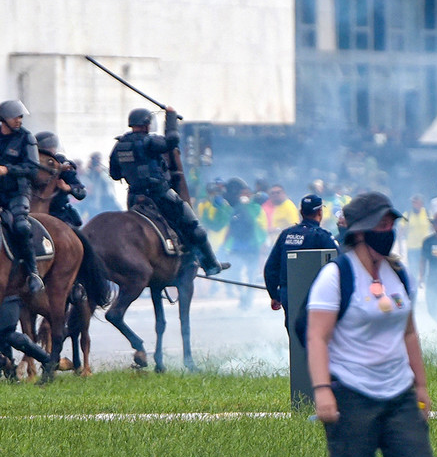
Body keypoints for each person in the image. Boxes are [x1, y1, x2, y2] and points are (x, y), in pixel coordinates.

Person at [305, 191, 435, 457]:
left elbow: (408, 331)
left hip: (398, 395)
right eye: (381, 224)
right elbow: (316, 337)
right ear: (360, 231)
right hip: (350, 395)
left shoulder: (398, 273)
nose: (389, 230)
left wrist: (422, 385)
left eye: (391, 224)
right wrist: (323, 390)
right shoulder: (336, 276)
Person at [108, 106, 224, 277]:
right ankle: (211, 264)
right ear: (147, 124)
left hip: (134, 197)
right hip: (159, 194)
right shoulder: (149, 142)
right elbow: (171, 141)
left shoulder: (119, 146)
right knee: (194, 226)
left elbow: (115, 174)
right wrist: (171, 117)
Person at [0, 99, 44, 293]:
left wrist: (8, 169)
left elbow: (33, 169)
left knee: (21, 226)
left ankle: (33, 273)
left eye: (20, 117)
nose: (19, 120)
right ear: (3, 119)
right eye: (16, 117)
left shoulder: (26, 138)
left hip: (17, 193)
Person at [263, 193, 339, 325]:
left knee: (293, 331)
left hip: (288, 293)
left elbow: (270, 268)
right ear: (320, 212)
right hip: (315, 294)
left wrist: (274, 295)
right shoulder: (322, 236)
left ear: (301, 212)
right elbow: (339, 263)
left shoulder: (286, 235)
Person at [222, 177, 267, 309]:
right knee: (235, 272)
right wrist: (225, 244)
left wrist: (263, 243)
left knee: (251, 273)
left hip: (252, 245)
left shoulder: (256, 207)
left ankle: (249, 298)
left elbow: (261, 226)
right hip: (237, 245)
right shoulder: (235, 208)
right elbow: (230, 226)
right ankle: (242, 295)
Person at [34, 131, 86, 227]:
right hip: (32, 212)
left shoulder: (65, 165)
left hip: (59, 213)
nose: (51, 150)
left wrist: (68, 188)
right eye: (48, 148)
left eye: (52, 148)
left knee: (80, 239)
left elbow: (81, 192)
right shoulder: (31, 165)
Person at [398, 194, 431, 290]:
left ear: (421, 203)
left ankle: (424, 283)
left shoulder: (427, 213)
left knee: (426, 267)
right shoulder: (407, 214)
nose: (414, 204)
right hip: (411, 246)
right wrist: (400, 246)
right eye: (413, 202)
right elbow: (401, 230)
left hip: (425, 247)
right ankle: (414, 287)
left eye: (416, 202)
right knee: (413, 269)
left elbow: (434, 228)